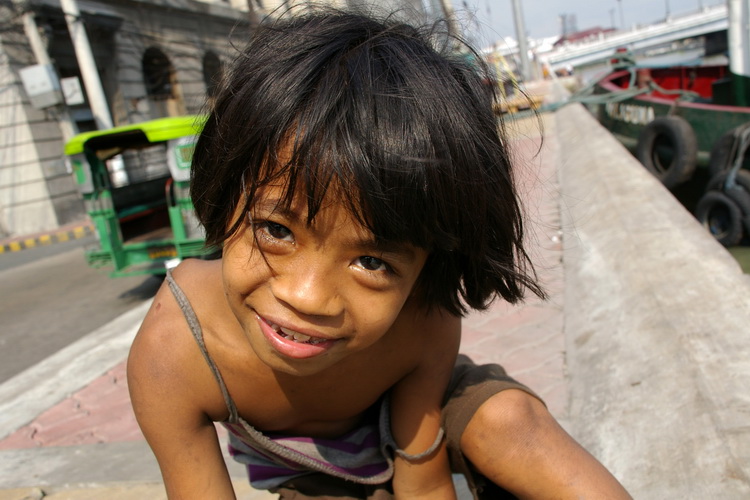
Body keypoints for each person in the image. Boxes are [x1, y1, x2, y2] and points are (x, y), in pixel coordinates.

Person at [127, 8, 632, 500]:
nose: (307, 297)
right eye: (276, 230)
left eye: (372, 262)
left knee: (509, 423)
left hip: (421, 419)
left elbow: (424, 477)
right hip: (309, 468)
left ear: (426, 264)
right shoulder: (175, 350)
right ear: (225, 191)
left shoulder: (422, 318)